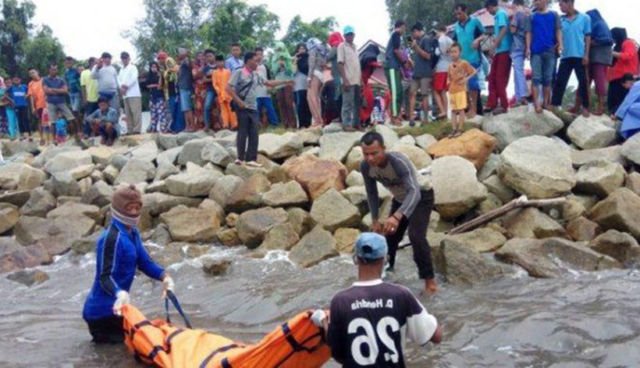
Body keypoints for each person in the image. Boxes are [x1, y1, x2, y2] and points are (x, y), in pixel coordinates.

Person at [320, 232, 442, 368]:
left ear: (355, 259)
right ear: (386, 259)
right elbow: (436, 336)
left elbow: (338, 354)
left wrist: (325, 322)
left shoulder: (340, 301)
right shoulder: (401, 295)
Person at [82, 185, 175, 344]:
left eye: (137, 207)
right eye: (129, 208)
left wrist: (164, 277)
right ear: (118, 209)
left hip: (120, 310)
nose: (134, 212)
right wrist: (119, 293)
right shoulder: (111, 238)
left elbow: (145, 262)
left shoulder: (133, 233)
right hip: (101, 314)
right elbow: (105, 277)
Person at [360, 131, 438, 294]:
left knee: (416, 236)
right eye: (366, 154)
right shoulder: (366, 167)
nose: (370, 159)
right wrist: (375, 219)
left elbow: (414, 191)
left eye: (375, 153)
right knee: (389, 237)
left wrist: (397, 216)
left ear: (384, 149)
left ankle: (429, 281)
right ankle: (387, 273)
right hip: (400, 198)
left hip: (421, 196)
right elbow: (372, 193)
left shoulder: (398, 161)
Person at [227, 52, 293, 167]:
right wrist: (239, 102)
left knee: (254, 132)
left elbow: (269, 83)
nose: (257, 63)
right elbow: (228, 88)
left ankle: (251, 159)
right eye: (255, 60)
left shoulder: (255, 75)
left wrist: (285, 81)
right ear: (248, 61)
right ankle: (240, 158)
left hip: (253, 107)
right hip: (242, 106)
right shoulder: (238, 72)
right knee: (243, 131)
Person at [551, 0, 592, 118]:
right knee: (560, 81)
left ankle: (585, 107)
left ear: (569, 3)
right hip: (565, 56)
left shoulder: (585, 18)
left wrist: (586, 55)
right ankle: (555, 104)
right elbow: (557, 36)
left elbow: (588, 37)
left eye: (561, 4)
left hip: (580, 55)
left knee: (583, 82)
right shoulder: (560, 20)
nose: (559, 6)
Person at [526, 0, 562, 114]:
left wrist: (560, 44)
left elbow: (558, 30)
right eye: (534, 1)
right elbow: (529, 32)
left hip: (550, 51)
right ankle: (537, 104)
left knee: (548, 78)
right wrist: (527, 47)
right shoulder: (532, 17)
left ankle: (546, 103)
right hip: (536, 51)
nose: (536, 2)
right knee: (536, 78)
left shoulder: (554, 15)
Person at [575, 9, 613, 116]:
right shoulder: (594, 24)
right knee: (584, 80)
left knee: (599, 81)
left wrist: (591, 42)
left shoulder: (600, 25)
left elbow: (608, 40)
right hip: (592, 57)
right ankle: (579, 106)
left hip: (599, 57)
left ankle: (600, 107)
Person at [453, 3, 485, 119]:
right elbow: (455, 42)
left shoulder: (475, 22)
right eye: (456, 14)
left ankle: (474, 110)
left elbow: (484, 34)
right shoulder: (456, 27)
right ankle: (469, 107)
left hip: (474, 58)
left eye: (460, 13)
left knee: (472, 84)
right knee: (463, 86)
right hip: (462, 60)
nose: (458, 16)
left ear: (466, 11)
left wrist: (478, 39)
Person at [483, 0, 513, 115]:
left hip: (504, 50)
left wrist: (494, 46)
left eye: (488, 9)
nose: (489, 12)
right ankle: (492, 103)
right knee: (492, 77)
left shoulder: (500, 14)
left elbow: (504, 28)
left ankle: (504, 105)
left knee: (499, 78)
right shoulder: (498, 16)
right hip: (499, 51)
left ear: (491, 7)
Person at [448, 43, 477, 137]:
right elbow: (449, 77)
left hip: (460, 89)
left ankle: (460, 129)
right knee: (453, 110)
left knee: (461, 110)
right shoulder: (450, 65)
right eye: (451, 52)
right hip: (452, 90)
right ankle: (453, 129)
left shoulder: (464, 63)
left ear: (459, 52)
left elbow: (474, 71)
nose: (453, 54)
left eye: (455, 51)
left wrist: (465, 79)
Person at [608, 28, 638, 116]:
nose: (612, 39)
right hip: (615, 77)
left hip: (625, 76)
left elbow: (628, 56)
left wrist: (611, 53)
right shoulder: (617, 46)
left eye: (613, 36)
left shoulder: (628, 43)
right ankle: (613, 116)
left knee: (622, 100)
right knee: (612, 100)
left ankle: (619, 117)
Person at [408, 22, 434, 126]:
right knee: (412, 93)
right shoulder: (417, 41)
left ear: (417, 31)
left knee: (424, 95)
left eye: (413, 33)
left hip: (425, 72)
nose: (413, 36)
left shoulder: (426, 39)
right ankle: (411, 118)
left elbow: (428, 56)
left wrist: (416, 48)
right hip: (417, 72)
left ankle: (426, 119)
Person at [43, 63, 77, 139]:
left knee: (71, 118)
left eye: (56, 69)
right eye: (53, 69)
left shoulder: (61, 79)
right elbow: (46, 91)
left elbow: (65, 91)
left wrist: (53, 89)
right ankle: (54, 139)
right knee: (53, 122)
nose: (55, 71)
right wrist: (59, 90)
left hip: (61, 101)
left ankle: (75, 136)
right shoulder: (45, 79)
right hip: (51, 102)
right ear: (49, 70)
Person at [338, 26, 363, 131]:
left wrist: (361, 80)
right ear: (344, 36)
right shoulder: (341, 46)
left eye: (351, 34)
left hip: (357, 79)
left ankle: (356, 124)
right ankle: (346, 124)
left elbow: (357, 65)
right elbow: (340, 63)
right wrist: (345, 80)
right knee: (347, 103)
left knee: (357, 103)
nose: (350, 36)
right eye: (348, 34)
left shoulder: (356, 47)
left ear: (354, 35)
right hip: (348, 79)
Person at [385, 20, 408, 125]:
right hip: (391, 67)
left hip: (396, 67)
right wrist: (404, 62)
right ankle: (394, 117)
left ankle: (397, 114)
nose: (404, 30)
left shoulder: (398, 37)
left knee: (399, 92)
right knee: (395, 92)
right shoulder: (396, 35)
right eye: (404, 27)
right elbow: (396, 51)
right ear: (400, 27)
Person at [270, 42, 297, 129]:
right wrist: (278, 65)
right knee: (281, 104)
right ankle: (286, 124)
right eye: (278, 50)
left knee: (289, 103)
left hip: (288, 83)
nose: (279, 52)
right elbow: (273, 71)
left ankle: (293, 124)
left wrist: (285, 65)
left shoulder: (288, 58)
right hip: (278, 84)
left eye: (281, 49)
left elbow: (291, 71)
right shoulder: (274, 59)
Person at [510, 0, 531, 106]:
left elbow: (513, 30)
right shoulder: (528, 15)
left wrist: (511, 19)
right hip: (523, 46)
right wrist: (528, 48)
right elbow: (528, 33)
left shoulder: (517, 15)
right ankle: (519, 96)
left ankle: (522, 96)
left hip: (516, 46)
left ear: (516, 5)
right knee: (518, 71)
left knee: (518, 71)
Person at [117, 52, 142, 135]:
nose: (124, 60)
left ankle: (137, 129)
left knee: (135, 112)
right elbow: (119, 80)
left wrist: (126, 86)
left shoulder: (133, 67)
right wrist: (121, 87)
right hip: (125, 94)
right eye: (122, 58)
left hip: (133, 93)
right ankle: (130, 129)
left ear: (128, 58)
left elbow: (134, 78)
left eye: (125, 58)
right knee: (128, 113)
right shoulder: (121, 70)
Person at [307, 37, 329, 127]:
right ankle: (319, 119)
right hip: (322, 74)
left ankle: (317, 120)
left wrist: (309, 77)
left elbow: (311, 64)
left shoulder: (313, 50)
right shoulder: (323, 50)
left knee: (311, 97)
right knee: (317, 98)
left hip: (315, 73)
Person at [255, 47, 279, 127]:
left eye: (261, 54)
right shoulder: (251, 67)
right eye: (257, 54)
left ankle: (274, 124)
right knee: (256, 109)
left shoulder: (265, 66)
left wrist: (270, 88)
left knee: (270, 108)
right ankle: (256, 125)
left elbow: (269, 78)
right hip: (255, 93)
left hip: (265, 92)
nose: (259, 56)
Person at [432, 26, 453, 120]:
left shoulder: (441, 40)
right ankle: (446, 112)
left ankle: (443, 111)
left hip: (440, 68)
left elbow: (437, 53)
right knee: (444, 91)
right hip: (449, 67)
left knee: (436, 91)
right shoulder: (451, 40)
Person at [213, 55, 237, 130]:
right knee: (223, 110)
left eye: (221, 62)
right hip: (221, 94)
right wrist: (219, 91)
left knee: (231, 109)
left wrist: (231, 91)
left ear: (224, 62)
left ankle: (234, 124)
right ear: (216, 63)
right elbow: (214, 84)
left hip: (228, 94)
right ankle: (226, 124)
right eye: (218, 62)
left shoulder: (228, 71)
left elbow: (230, 82)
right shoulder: (215, 72)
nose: (220, 63)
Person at [158, 51, 180, 132]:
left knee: (173, 110)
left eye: (160, 59)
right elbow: (161, 85)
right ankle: (172, 128)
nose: (159, 61)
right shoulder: (163, 69)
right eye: (159, 59)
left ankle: (173, 128)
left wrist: (165, 72)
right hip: (169, 93)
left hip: (173, 91)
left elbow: (176, 69)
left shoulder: (168, 61)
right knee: (171, 111)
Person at [146, 62, 169, 133]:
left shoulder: (160, 75)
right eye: (152, 67)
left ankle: (163, 129)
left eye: (155, 66)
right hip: (152, 97)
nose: (154, 68)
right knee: (153, 114)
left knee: (161, 114)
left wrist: (159, 77)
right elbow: (147, 85)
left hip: (160, 97)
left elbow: (160, 86)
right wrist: (154, 85)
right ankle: (154, 129)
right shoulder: (149, 76)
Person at [615, 74, 640, 139]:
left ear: (628, 82)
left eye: (624, 85)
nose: (625, 88)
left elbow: (628, 101)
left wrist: (617, 115)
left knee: (631, 108)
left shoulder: (636, 85)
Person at [27, 68, 48, 145]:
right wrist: (33, 107)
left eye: (33, 72)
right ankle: (42, 138)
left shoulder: (44, 80)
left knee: (49, 121)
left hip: (47, 104)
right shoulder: (30, 84)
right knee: (40, 121)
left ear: (37, 72)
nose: (32, 74)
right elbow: (31, 96)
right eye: (30, 73)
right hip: (38, 105)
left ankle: (51, 137)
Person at [294, 43, 312, 128]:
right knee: (300, 104)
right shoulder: (295, 59)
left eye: (303, 48)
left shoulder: (309, 58)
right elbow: (293, 72)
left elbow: (310, 68)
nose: (302, 50)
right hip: (299, 84)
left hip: (308, 83)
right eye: (300, 48)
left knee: (308, 103)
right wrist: (295, 61)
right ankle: (301, 123)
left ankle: (308, 123)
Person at [177, 48, 195, 132]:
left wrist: (187, 55)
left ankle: (191, 126)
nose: (178, 54)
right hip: (182, 87)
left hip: (186, 87)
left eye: (180, 52)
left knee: (187, 108)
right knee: (185, 108)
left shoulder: (187, 61)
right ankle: (188, 126)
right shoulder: (181, 62)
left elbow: (189, 65)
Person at [81, 57, 99, 135]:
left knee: (99, 116)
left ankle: (98, 132)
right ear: (91, 63)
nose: (97, 63)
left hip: (100, 98)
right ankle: (86, 133)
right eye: (96, 62)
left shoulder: (99, 70)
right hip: (90, 98)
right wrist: (84, 99)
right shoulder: (84, 73)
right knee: (88, 116)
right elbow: (83, 87)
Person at [8, 76, 30, 141]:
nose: (16, 81)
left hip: (24, 105)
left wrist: (27, 95)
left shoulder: (24, 86)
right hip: (17, 106)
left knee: (25, 120)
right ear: (12, 81)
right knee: (19, 121)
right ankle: (22, 135)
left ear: (20, 80)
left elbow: (30, 92)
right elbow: (5, 94)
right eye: (14, 80)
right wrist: (11, 100)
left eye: (17, 80)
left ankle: (29, 134)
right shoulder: (11, 88)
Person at [202, 49, 218, 130]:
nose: (209, 58)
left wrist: (213, 76)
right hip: (210, 89)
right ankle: (207, 125)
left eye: (210, 56)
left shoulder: (219, 65)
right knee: (207, 106)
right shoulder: (205, 68)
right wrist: (215, 78)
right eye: (207, 57)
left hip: (220, 89)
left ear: (214, 56)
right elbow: (204, 80)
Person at [192, 51, 207, 130]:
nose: (201, 57)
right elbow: (194, 76)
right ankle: (200, 125)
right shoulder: (195, 66)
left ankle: (209, 124)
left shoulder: (208, 65)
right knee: (199, 107)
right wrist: (201, 70)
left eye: (202, 56)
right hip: (198, 89)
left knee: (207, 106)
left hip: (207, 88)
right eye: (199, 56)